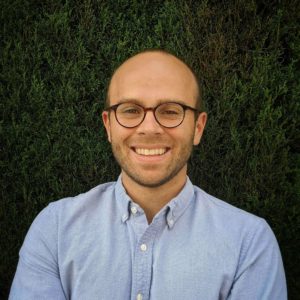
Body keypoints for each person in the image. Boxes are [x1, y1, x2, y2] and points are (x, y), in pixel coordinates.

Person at [9, 50, 287, 300]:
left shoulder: (249, 243)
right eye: (130, 110)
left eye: (170, 111)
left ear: (198, 127)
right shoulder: (55, 230)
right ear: (108, 126)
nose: (150, 127)